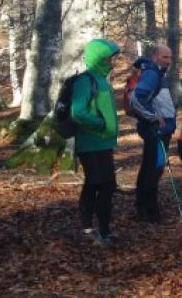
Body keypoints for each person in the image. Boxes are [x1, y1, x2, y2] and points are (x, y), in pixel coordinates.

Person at [72, 39, 122, 246]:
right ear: (100, 57)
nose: (113, 61)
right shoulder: (86, 81)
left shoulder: (101, 79)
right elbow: (78, 112)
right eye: (110, 57)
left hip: (102, 143)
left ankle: (94, 229)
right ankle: (101, 232)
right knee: (104, 186)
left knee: (96, 185)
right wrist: (101, 125)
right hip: (91, 143)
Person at [129, 44, 173, 223]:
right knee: (153, 170)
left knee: (150, 168)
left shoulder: (156, 73)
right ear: (155, 57)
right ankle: (150, 213)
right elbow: (137, 99)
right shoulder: (152, 74)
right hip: (157, 131)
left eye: (170, 58)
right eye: (165, 57)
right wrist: (154, 117)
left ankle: (143, 208)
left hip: (158, 130)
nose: (169, 61)